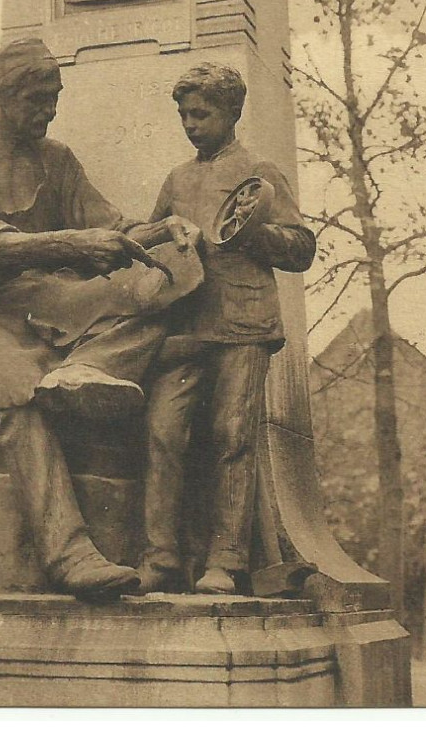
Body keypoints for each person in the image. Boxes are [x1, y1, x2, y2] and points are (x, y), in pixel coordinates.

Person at [0, 38, 201, 598]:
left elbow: (114, 230)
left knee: (153, 295)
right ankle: (69, 556)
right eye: (37, 100)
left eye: (55, 98)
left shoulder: (58, 159)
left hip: (40, 297)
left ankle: (86, 370)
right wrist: (72, 245)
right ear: (3, 96)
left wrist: (166, 229)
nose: (49, 111)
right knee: (20, 390)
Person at [138, 63, 316, 595]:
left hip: (243, 323)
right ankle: (161, 557)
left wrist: (253, 235)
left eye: (201, 113)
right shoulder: (178, 178)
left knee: (230, 437)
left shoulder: (259, 173)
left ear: (232, 112)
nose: (191, 124)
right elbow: (144, 239)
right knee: (162, 432)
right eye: (184, 115)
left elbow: (302, 247)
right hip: (185, 324)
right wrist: (164, 232)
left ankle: (227, 561)